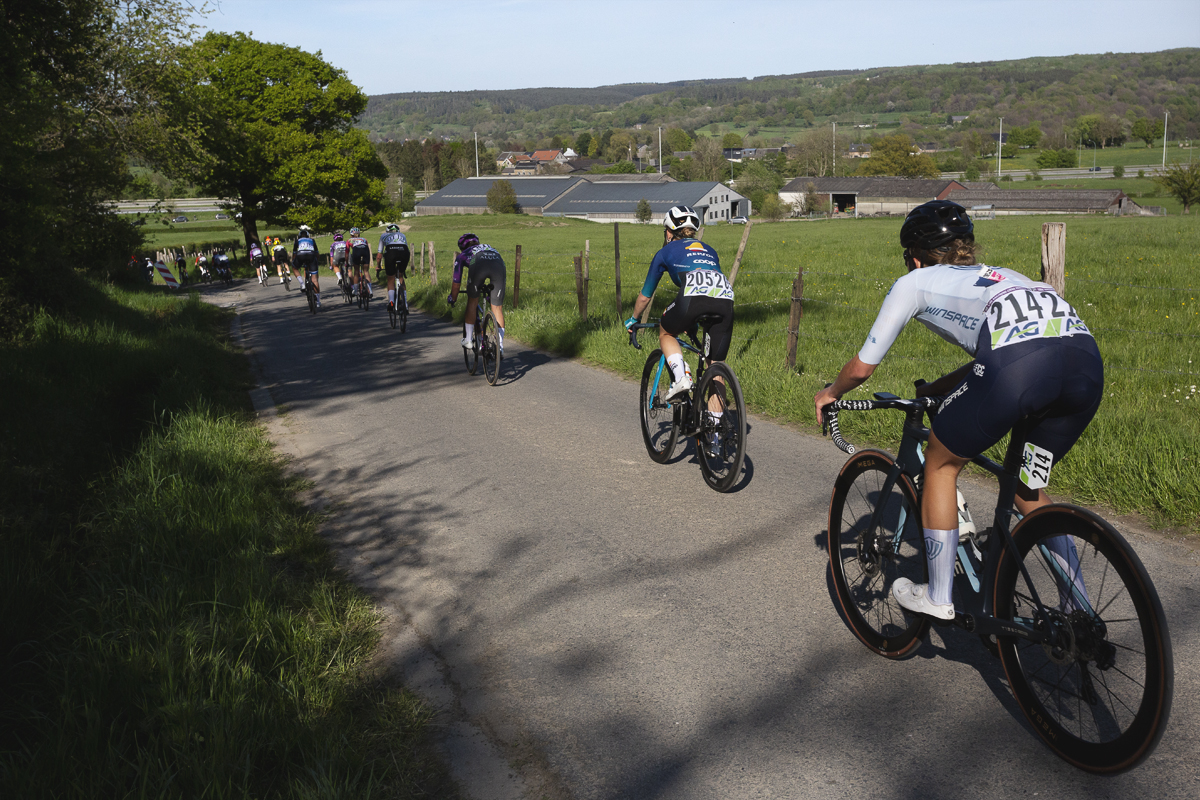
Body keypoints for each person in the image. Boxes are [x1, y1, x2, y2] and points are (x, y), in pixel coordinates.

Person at [813, 200, 1102, 620]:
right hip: (1084, 367)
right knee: (1026, 487)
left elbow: (862, 368)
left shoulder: (914, 282)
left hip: (1018, 369)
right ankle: (1079, 609)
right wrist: (936, 388)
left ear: (914, 256)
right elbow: (1016, 348)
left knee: (941, 465)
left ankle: (939, 595)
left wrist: (830, 392)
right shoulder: (1005, 276)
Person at [623, 206, 735, 402]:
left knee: (666, 332)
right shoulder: (710, 250)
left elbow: (645, 297)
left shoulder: (664, 252)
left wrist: (633, 319)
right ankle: (716, 429)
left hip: (692, 297)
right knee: (715, 365)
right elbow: (709, 289)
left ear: (668, 232)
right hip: (725, 299)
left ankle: (680, 377)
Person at [447, 233, 506, 352]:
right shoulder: (489, 247)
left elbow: (456, 283)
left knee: (472, 301)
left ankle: (468, 339)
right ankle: (499, 346)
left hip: (479, 264)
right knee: (497, 308)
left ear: (462, 247)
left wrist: (453, 298)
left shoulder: (463, 255)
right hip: (498, 262)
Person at [375, 223, 411, 313]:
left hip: (390, 252)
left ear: (387, 231)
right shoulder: (402, 235)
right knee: (401, 276)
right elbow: (406, 248)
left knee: (390, 278)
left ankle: (391, 302)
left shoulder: (383, 235)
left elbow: (379, 255)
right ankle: (405, 304)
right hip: (404, 252)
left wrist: (378, 266)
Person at [292, 225, 321, 308]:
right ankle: (318, 301)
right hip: (311, 255)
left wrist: (294, 261)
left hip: (300, 255)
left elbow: (294, 254)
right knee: (315, 280)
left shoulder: (297, 241)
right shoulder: (312, 240)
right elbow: (317, 253)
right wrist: (316, 261)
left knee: (294, 268)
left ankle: (302, 284)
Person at [346, 227, 373, 298]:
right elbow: (366, 246)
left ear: (351, 234)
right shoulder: (364, 239)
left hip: (356, 251)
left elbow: (347, 253)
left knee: (356, 271)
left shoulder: (349, 240)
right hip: (365, 250)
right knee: (366, 271)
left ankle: (355, 290)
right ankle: (370, 290)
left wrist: (347, 262)